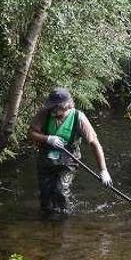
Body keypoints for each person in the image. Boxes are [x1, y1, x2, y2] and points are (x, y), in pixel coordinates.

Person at [28, 87, 112, 216]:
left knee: (61, 190)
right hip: (46, 159)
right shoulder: (45, 113)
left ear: (66, 106)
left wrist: (103, 170)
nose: (53, 109)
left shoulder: (79, 118)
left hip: (68, 160)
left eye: (56, 107)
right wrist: (48, 139)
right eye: (52, 106)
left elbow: (95, 144)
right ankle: (46, 221)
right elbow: (31, 133)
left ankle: (63, 222)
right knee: (45, 194)